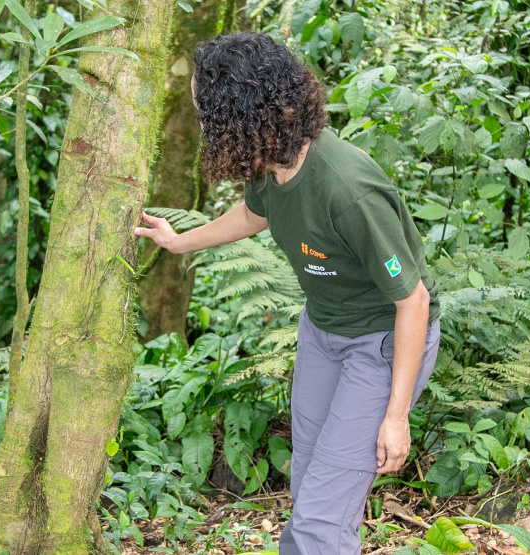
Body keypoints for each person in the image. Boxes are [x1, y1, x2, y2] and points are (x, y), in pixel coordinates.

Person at [134, 32, 441, 555]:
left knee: (324, 515)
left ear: (240, 115)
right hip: (322, 334)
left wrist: (396, 415)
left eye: (205, 111)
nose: (202, 124)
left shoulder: (348, 192)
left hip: (380, 347)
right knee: (308, 482)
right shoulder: (271, 164)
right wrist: (180, 240)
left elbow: (412, 301)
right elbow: (255, 215)